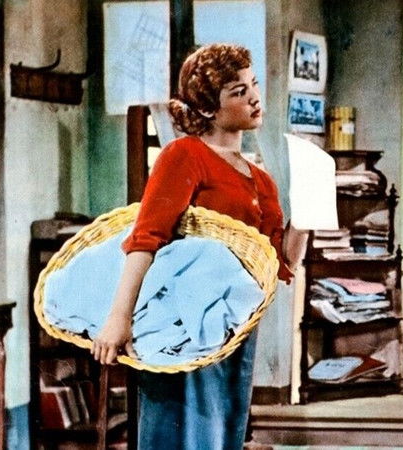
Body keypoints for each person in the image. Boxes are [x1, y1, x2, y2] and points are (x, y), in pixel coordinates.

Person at [91, 43, 307, 449]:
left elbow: (280, 264)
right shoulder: (185, 155)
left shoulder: (261, 181)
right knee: (176, 434)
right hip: (182, 322)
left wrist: (310, 214)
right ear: (208, 107)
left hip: (235, 328)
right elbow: (146, 237)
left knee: (222, 435)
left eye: (253, 84)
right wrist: (118, 318)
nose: (254, 98)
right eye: (239, 91)